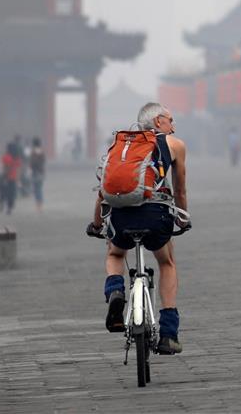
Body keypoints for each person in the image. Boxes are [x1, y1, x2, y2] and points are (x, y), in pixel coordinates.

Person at [89, 102, 189, 354]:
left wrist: (97, 223)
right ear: (158, 122)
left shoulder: (121, 147)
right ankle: (168, 334)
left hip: (122, 217)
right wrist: (183, 218)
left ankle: (115, 291)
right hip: (155, 216)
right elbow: (180, 190)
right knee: (167, 262)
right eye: (170, 120)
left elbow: (104, 189)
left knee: (114, 253)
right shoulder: (174, 145)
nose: (173, 126)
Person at [0, 141, 21, 214]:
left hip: (5, 177)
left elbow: (3, 167)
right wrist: (18, 179)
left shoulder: (6, 157)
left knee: (4, 192)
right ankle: (10, 207)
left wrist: (3, 176)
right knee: (11, 193)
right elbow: (18, 169)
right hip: (13, 177)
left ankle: (2, 203)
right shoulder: (17, 158)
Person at [29, 137, 46, 212]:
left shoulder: (33, 152)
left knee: (37, 189)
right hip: (41, 172)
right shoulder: (42, 152)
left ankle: (38, 206)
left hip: (35, 172)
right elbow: (43, 161)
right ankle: (40, 206)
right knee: (39, 189)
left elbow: (32, 162)